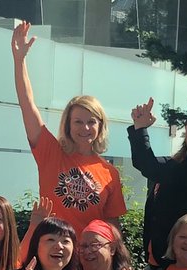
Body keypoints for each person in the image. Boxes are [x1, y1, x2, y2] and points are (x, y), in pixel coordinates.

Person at [11, 21, 127, 234]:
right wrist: (20, 61)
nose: (85, 128)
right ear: (67, 125)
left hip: (87, 261)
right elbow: (27, 104)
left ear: (101, 126)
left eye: (92, 121)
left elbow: (112, 224)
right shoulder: (50, 153)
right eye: (78, 122)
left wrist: (118, 259)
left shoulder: (109, 173)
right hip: (51, 256)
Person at [128, 101, 187, 266]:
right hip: (160, 258)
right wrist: (138, 128)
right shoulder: (180, 162)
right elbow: (145, 163)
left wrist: (141, 129)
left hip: (180, 260)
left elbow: (151, 167)